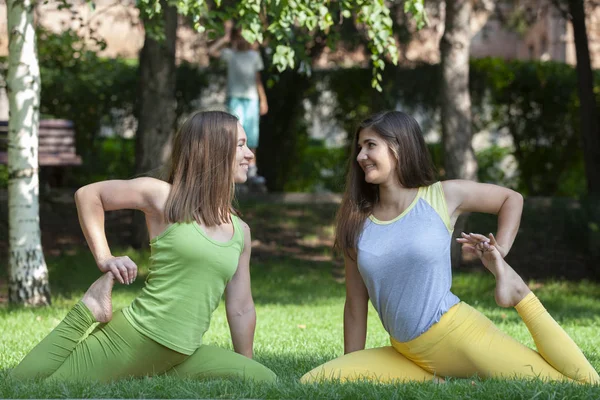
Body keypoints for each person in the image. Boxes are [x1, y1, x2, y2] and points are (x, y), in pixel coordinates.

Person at [301, 110, 599, 384]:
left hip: (457, 334)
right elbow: (355, 305)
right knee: (316, 380)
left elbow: (512, 199)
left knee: (578, 382)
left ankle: (517, 291)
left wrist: (501, 251)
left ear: (400, 147)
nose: (361, 156)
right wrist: (352, 365)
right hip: (405, 351)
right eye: (359, 148)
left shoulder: (441, 197)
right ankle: (436, 380)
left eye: (370, 145)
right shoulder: (357, 224)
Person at [10, 111, 277, 383]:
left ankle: (158, 367)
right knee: (28, 384)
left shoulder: (240, 232)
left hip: (184, 352)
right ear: (214, 150)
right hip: (137, 336)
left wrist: (245, 366)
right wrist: (105, 258)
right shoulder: (164, 197)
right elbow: (89, 195)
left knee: (264, 379)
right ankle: (88, 309)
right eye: (240, 145)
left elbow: (241, 307)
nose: (250, 154)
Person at [208, 20, 268, 187]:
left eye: (245, 36)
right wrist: (225, 38)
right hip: (235, 97)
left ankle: (252, 171)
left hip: (251, 99)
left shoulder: (254, 56)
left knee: (252, 135)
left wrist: (263, 99)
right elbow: (211, 51)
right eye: (239, 36)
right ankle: (231, 167)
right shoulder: (230, 55)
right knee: (233, 134)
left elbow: (257, 79)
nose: (243, 40)